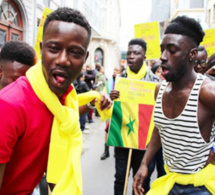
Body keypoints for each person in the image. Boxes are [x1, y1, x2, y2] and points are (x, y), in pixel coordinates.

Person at [0, 7, 112, 195]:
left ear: (85, 58)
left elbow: (61, 116)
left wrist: (93, 102)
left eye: (75, 53)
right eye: (54, 49)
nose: (63, 60)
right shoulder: (9, 105)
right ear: (42, 49)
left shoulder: (61, 101)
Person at [133, 16, 215, 195]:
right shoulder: (159, 90)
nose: (162, 57)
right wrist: (145, 163)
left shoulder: (207, 92)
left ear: (192, 54)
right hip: (169, 184)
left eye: (172, 51)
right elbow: (161, 128)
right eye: (162, 49)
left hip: (203, 187)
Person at [110, 38, 160, 195]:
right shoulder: (119, 80)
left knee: (142, 180)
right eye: (129, 52)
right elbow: (110, 112)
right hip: (122, 139)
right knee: (120, 178)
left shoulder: (156, 82)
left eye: (136, 53)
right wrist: (111, 99)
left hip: (144, 143)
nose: (131, 56)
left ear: (144, 57)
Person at [100, 66, 124, 160]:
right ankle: (106, 151)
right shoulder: (109, 82)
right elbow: (104, 92)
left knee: (118, 131)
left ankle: (116, 151)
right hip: (110, 109)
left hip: (120, 110)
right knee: (107, 130)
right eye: (114, 70)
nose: (115, 71)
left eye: (117, 70)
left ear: (121, 72)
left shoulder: (124, 81)